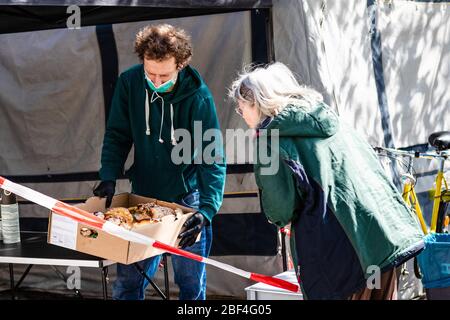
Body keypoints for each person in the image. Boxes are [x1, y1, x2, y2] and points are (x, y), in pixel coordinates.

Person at [228, 62, 424, 300]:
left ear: (256, 103)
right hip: (385, 236)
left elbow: (279, 208)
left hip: (344, 251)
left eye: (241, 109)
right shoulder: (328, 117)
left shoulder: (269, 139)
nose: (242, 116)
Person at [94, 24, 226, 300]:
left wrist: (207, 210)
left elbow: (211, 158)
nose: (155, 81)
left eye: (164, 75)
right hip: (143, 197)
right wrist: (108, 175)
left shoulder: (198, 98)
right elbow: (118, 134)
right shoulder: (130, 82)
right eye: (150, 73)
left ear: (180, 65)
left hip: (186, 200)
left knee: (190, 285)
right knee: (128, 282)